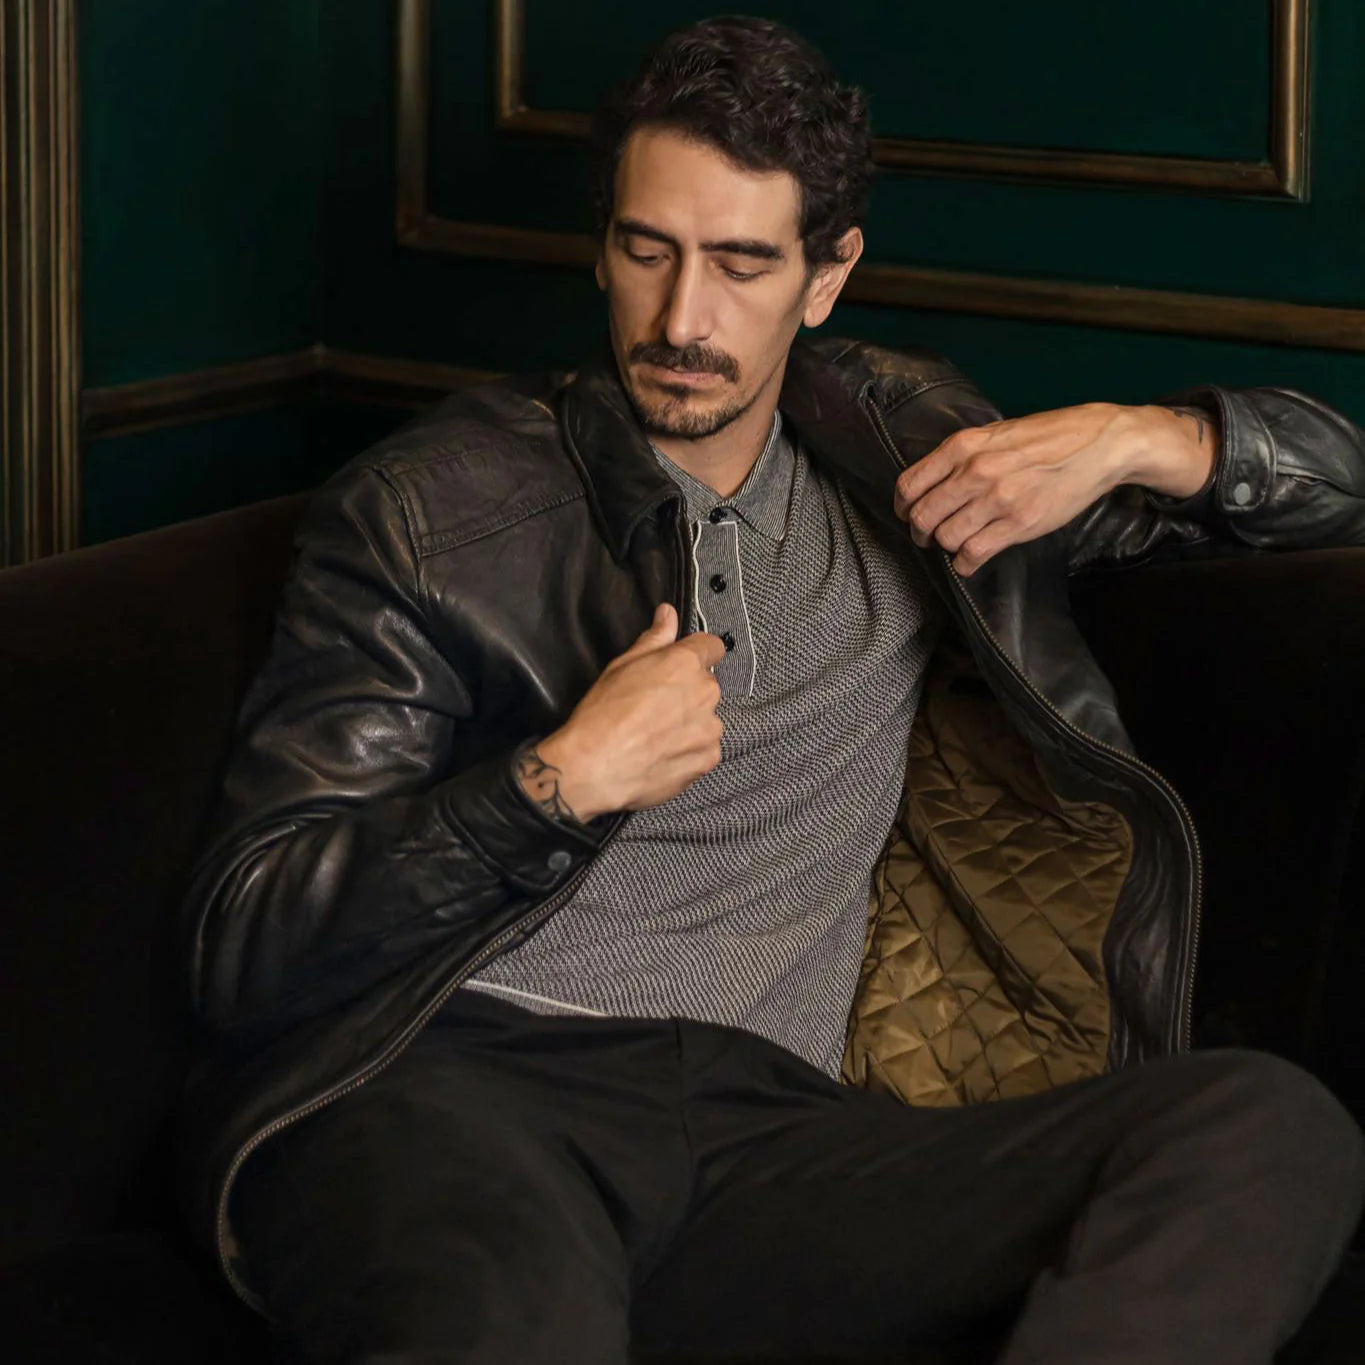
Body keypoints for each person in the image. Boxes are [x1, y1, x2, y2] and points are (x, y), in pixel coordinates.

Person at [176, 16, 1365, 1365]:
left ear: (826, 275)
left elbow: (1335, 485)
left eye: (741, 264)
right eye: (648, 252)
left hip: (765, 1137)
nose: (683, 320)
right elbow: (245, 940)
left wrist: (1140, 436)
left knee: (1268, 1127)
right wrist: (548, 786)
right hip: (456, 1088)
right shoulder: (430, 511)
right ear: (602, 247)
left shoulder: (915, 464)